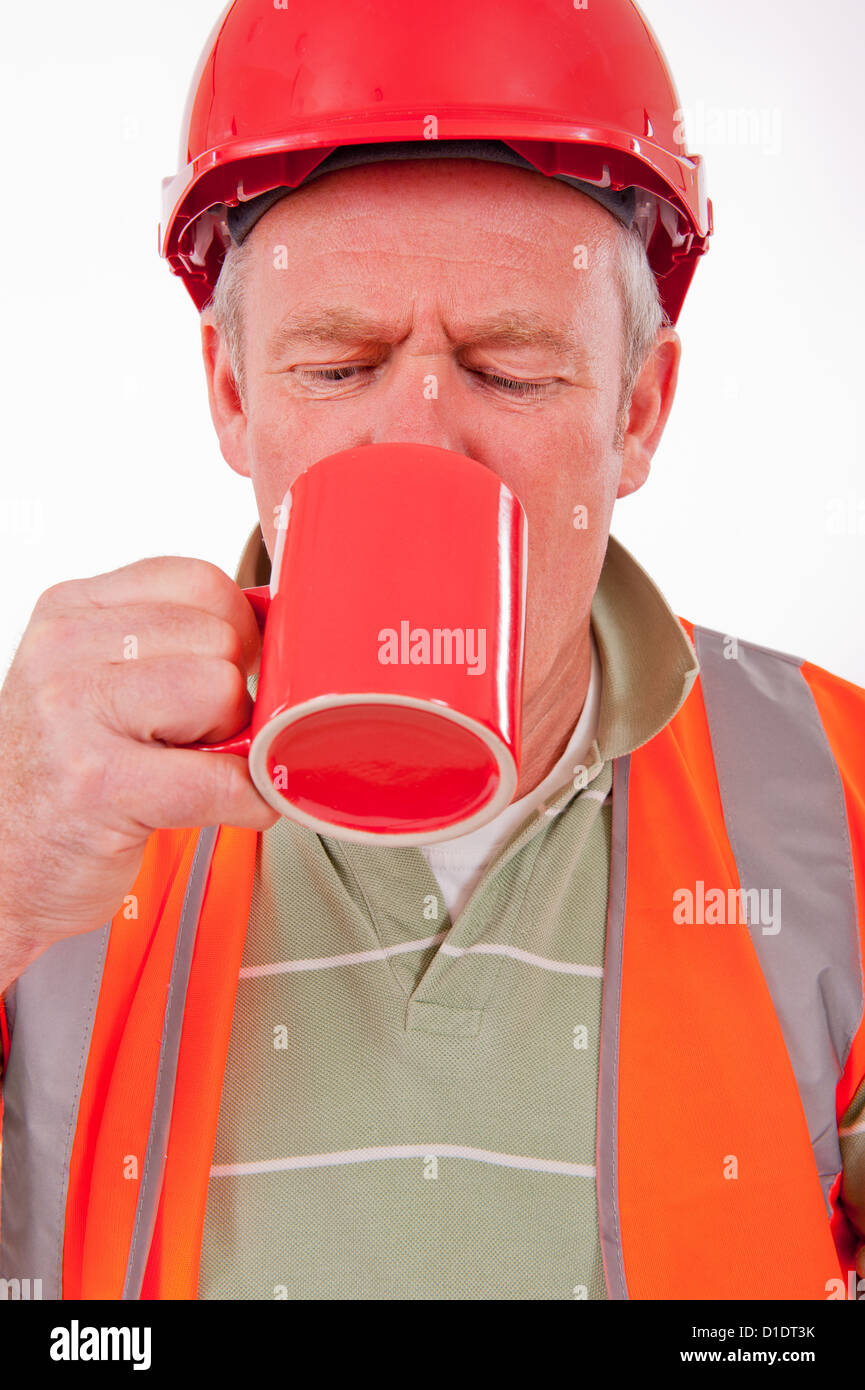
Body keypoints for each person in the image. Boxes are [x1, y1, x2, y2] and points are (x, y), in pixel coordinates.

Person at [1, 0, 863, 1301]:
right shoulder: (50, 790)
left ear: (636, 414)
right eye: (338, 365)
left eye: (509, 371)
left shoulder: (840, 789)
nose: (419, 446)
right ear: (233, 396)